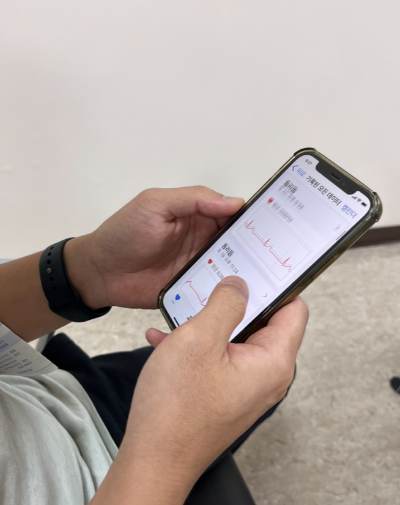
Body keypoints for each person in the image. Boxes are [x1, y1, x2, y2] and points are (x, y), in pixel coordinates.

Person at [0, 186, 308, 505]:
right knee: (255, 374)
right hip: (122, 485)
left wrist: (91, 270)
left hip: (55, 401)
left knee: (256, 370)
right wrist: (169, 455)